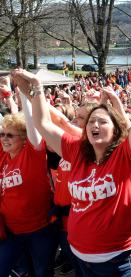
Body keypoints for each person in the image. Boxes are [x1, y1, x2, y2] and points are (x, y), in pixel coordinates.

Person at [11, 62, 131, 276]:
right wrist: (36, 89)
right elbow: (44, 124)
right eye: (91, 122)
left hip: (117, 260)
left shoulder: (126, 155)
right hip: (80, 256)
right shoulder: (76, 151)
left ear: (116, 130)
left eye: (102, 122)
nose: (94, 125)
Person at [0, 84, 56, 276]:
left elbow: (32, 125)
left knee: (42, 272)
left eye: (9, 135)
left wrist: (24, 94)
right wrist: (6, 95)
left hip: (39, 231)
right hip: (11, 232)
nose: (4, 139)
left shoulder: (33, 153)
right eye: (2, 135)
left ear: (23, 139)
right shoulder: (4, 156)